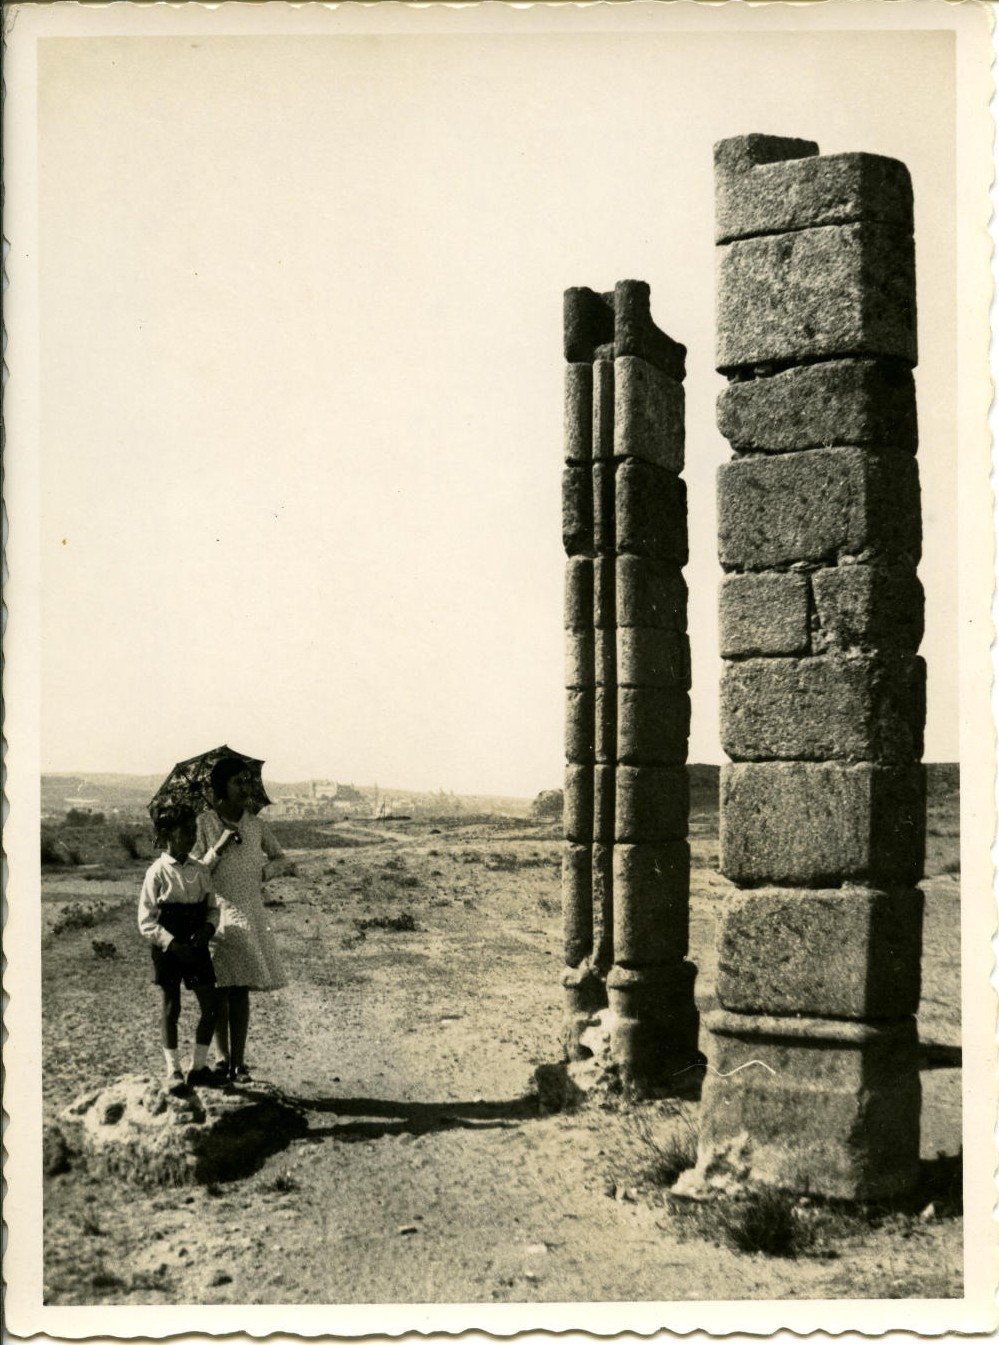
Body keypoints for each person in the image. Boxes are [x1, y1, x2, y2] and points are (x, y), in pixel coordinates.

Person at [191, 757, 293, 1083]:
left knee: (240, 992)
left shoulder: (256, 825)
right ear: (221, 787)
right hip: (218, 912)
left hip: (251, 910)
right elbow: (195, 875)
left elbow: (282, 857)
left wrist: (263, 872)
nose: (245, 788)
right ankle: (222, 1060)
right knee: (221, 989)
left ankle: (238, 1063)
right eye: (238, 782)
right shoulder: (204, 824)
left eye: (248, 782)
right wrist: (217, 848)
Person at [138, 804, 236, 1091]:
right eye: (185, 831)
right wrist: (171, 944)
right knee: (172, 1007)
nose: (192, 837)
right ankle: (173, 1070)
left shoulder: (200, 870)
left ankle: (199, 1067)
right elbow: (146, 921)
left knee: (211, 1006)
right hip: (169, 948)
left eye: (194, 830)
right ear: (167, 834)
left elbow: (212, 909)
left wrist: (207, 931)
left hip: (197, 944)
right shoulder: (156, 873)